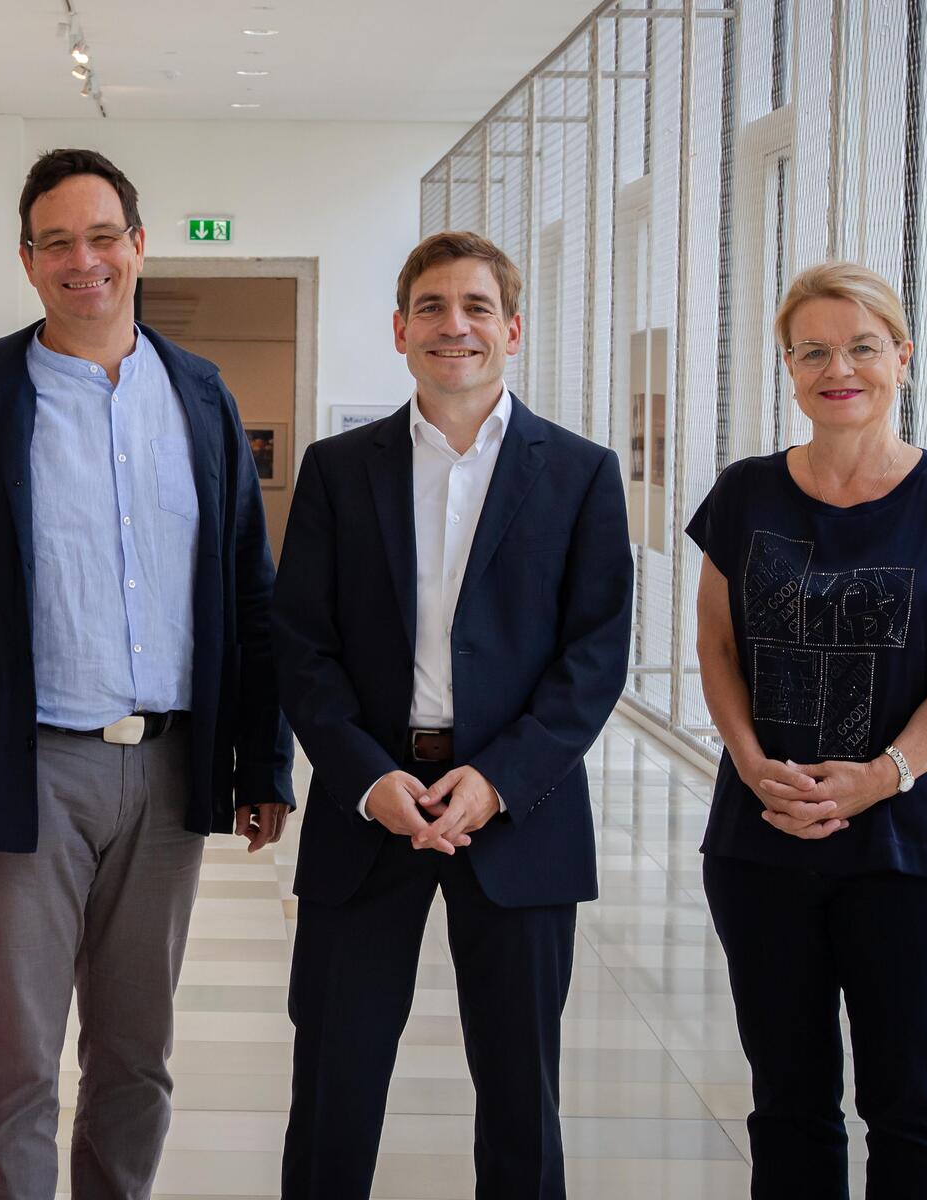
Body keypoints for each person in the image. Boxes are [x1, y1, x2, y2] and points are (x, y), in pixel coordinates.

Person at [0, 147, 295, 1199]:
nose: (84, 260)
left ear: (138, 244)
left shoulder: (201, 398)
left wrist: (263, 762)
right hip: (23, 771)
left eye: (103, 236)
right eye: (57, 241)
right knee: (14, 1061)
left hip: (166, 773)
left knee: (136, 1059)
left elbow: (250, 594)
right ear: (26, 261)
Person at [273, 230, 632, 1200]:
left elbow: (594, 657)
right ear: (399, 330)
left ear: (512, 330)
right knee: (333, 1088)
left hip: (519, 816)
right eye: (431, 307)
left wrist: (501, 780)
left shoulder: (582, 475)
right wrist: (366, 778)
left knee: (522, 1097)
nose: (454, 326)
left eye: (477, 307)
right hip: (370, 808)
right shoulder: (339, 470)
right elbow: (302, 647)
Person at [686, 260, 927, 1198]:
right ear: (788, 368)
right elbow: (716, 648)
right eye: (814, 351)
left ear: (902, 358)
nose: (840, 367)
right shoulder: (745, 495)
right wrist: (753, 768)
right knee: (787, 1101)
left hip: (910, 849)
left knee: (909, 1103)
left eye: (863, 347)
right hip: (765, 841)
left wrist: (883, 774)